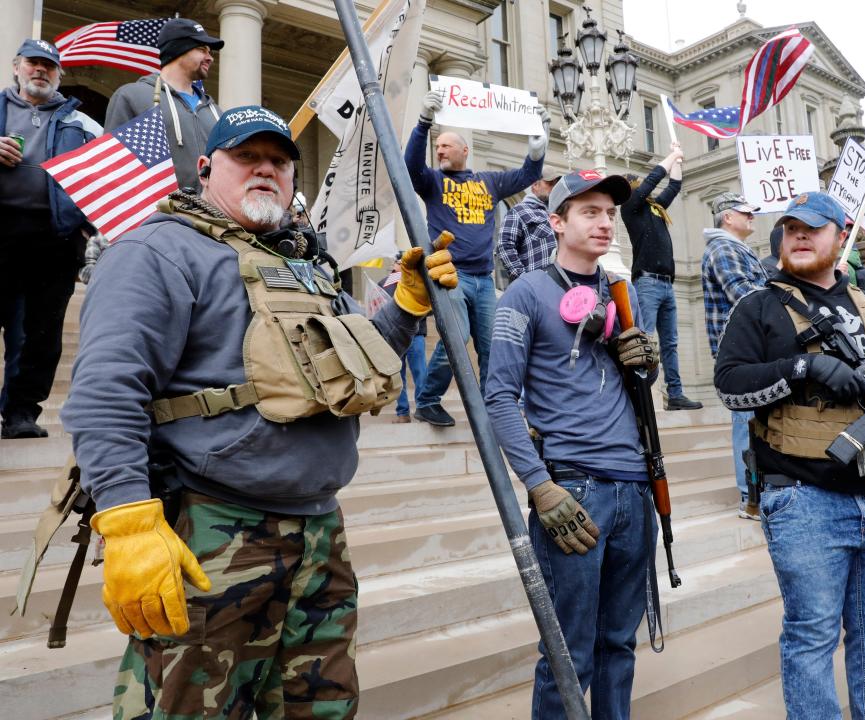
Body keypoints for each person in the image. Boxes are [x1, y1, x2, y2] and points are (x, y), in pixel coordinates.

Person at [60, 105, 458, 719]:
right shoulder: (157, 251)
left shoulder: (306, 265)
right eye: (247, 157)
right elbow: (106, 391)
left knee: (319, 711)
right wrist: (128, 521)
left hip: (320, 535)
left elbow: (354, 370)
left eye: (279, 161)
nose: (265, 170)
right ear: (205, 168)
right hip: (213, 532)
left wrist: (405, 306)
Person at [713, 191, 865, 719]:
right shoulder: (758, 307)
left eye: (812, 228)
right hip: (804, 503)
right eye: (790, 227)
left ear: (840, 237)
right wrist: (803, 369)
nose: (798, 235)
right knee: (812, 637)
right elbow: (729, 385)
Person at [486, 169, 661, 719]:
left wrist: (646, 366)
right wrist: (539, 487)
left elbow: (633, 388)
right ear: (556, 222)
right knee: (569, 654)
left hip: (635, 487)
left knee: (619, 646)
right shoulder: (526, 292)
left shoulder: (619, 290)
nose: (605, 222)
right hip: (574, 490)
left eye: (610, 213)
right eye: (590, 211)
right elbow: (498, 399)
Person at [405, 89, 548, 426]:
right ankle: (427, 401)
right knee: (457, 334)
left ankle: (490, 409)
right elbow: (410, 166)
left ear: (464, 151)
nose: (439, 150)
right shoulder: (433, 182)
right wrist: (423, 124)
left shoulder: (490, 182)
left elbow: (528, 175)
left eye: (446, 146)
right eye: (437, 146)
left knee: (491, 345)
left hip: (483, 280)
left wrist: (538, 146)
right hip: (449, 274)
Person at [0, 39, 101, 439]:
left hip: (54, 239)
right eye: (32, 64)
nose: (40, 71)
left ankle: (21, 412)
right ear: (17, 66)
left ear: (59, 74)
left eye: (48, 66)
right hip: (1, 230)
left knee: (40, 333)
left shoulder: (83, 122)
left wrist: (87, 224)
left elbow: (102, 178)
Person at [701, 191, 768, 520]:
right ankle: (750, 497)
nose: (751, 217)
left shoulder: (736, 248)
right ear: (727, 217)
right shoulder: (724, 248)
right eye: (746, 212)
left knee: (753, 421)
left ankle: (756, 493)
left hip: (750, 349)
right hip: (740, 353)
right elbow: (744, 295)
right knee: (747, 422)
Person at [623, 142, 702, 411]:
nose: (639, 185)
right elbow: (655, 179)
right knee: (645, 340)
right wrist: (670, 157)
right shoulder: (630, 207)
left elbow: (674, 186)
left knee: (670, 342)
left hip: (667, 284)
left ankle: (675, 394)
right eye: (635, 183)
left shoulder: (655, 209)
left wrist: (678, 158)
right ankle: (643, 391)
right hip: (647, 282)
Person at [105, 18, 223, 190]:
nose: (210, 58)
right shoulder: (132, 96)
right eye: (202, 49)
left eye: (210, 52)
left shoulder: (216, 112)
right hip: (159, 213)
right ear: (179, 49)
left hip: (211, 214)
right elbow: (114, 165)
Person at [379, 254, 428, 423]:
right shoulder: (385, 283)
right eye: (400, 262)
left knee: (420, 372)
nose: (401, 265)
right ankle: (403, 413)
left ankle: (424, 408)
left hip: (416, 333)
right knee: (398, 377)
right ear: (395, 264)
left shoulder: (419, 279)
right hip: (393, 334)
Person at [495, 167, 562, 281]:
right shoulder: (519, 211)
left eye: (556, 184)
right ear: (535, 184)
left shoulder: (559, 213)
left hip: (562, 284)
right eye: (549, 183)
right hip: (537, 286)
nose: (553, 188)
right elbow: (504, 245)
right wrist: (523, 279)